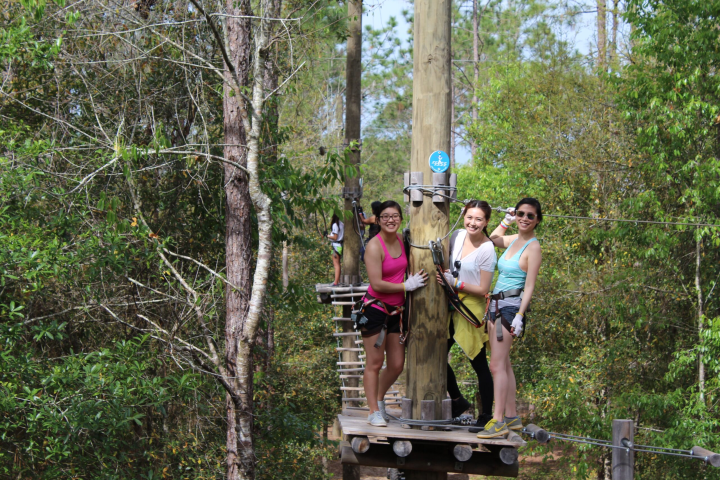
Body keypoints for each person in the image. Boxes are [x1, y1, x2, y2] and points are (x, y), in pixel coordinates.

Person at [476, 198, 543, 439]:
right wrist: (506, 220)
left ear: (537, 220)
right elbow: (492, 240)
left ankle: (498, 419)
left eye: (530, 216)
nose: (524, 218)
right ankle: (512, 416)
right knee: (503, 364)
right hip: (495, 303)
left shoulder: (533, 248)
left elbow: (530, 286)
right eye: (521, 213)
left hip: (511, 308)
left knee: (495, 366)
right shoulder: (514, 240)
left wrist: (520, 316)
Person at [361, 200, 428, 427]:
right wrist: (405, 287)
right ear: (378, 220)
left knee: (397, 364)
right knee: (375, 362)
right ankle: (372, 411)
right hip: (375, 309)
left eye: (395, 216)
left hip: (396, 312)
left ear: (401, 218)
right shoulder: (374, 246)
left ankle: (378, 402)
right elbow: (377, 283)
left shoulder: (401, 240)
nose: (391, 220)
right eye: (385, 216)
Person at [436, 200, 496, 426]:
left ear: (486, 222)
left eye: (479, 219)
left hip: (470, 305)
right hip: (451, 302)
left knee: (479, 362)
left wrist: (456, 282)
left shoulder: (487, 249)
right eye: (470, 217)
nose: (473, 223)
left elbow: (483, 289)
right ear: (464, 216)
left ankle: (486, 415)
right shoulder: (458, 235)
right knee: (438, 355)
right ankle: (458, 401)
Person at [327, 213, 344, 286]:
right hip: (339, 245)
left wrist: (327, 235)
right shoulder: (342, 224)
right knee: (338, 264)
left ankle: (336, 282)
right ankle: (338, 280)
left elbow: (335, 237)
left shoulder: (335, 225)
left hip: (336, 246)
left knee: (336, 265)